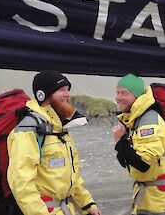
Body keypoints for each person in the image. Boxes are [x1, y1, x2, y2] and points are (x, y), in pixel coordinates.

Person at [7, 71, 102, 215]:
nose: (67, 94)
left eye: (68, 89)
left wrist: (88, 205)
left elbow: (73, 177)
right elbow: (21, 183)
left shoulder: (59, 129)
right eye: (61, 90)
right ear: (43, 95)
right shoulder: (28, 130)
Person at [112, 73, 165, 215]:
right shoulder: (135, 120)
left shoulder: (149, 122)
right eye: (117, 93)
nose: (118, 97)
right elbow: (127, 163)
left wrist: (120, 142)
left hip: (164, 204)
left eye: (124, 93)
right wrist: (122, 142)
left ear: (137, 96)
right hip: (149, 199)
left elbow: (142, 164)